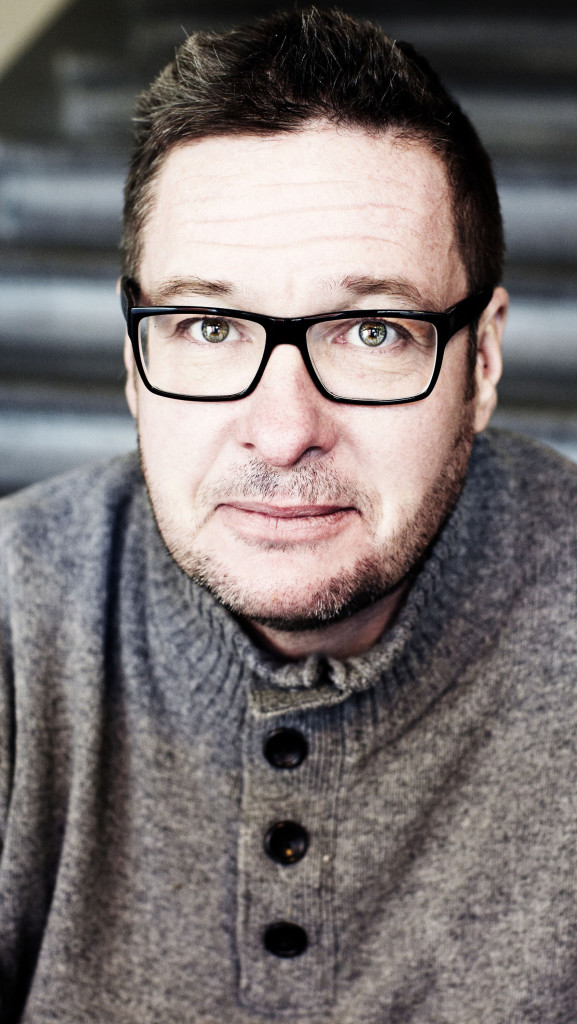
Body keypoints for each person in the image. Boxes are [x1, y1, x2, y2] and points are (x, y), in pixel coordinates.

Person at [1, 7, 576, 1022]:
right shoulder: (17, 618)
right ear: (134, 359)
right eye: (206, 324)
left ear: (481, 361)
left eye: (372, 330)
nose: (281, 432)